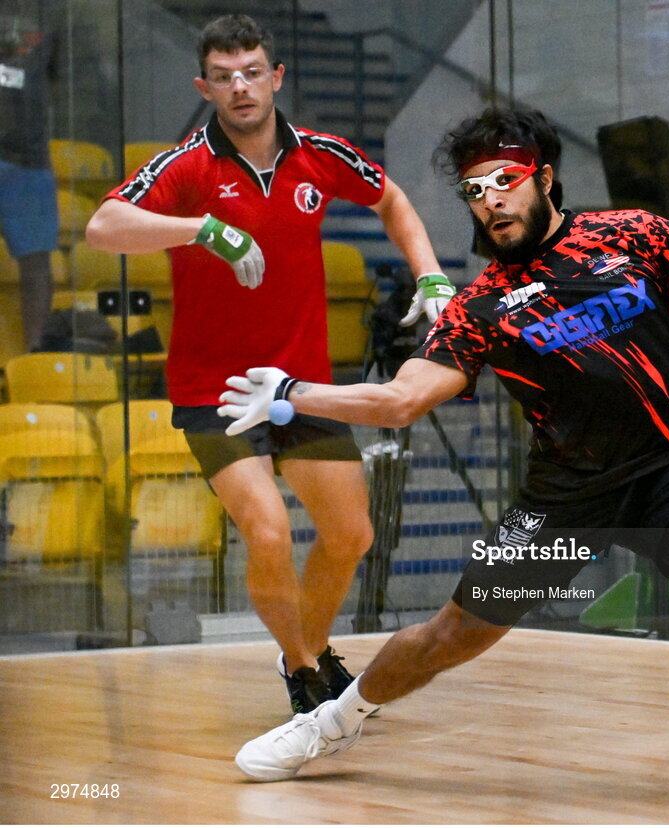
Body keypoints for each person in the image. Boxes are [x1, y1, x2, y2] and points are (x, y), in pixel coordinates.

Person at [220, 107, 669, 812]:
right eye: (472, 191)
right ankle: (330, 723)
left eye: (503, 181)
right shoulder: (478, 306)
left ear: (543, 177)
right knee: (452, 635)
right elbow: (400, 401)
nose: (489, 201)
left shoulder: (633, 234)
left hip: (664, 465)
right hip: (562, 496)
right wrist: (297, 394)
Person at [85, 14, 454, 717]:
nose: (240, 87)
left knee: (352, 534)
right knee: (268, 532)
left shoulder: (320, 154)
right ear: (205, 86)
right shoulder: (184, 166)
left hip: (299, 387)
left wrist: (431, 276)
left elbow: (391, 199)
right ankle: (309, 672)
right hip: (215, 393)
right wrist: (203, 228)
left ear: (276, 76)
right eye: (223, 78)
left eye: (252, 72)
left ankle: (300, 656)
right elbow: (104, 227)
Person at [0, 0, 59, 352]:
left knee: (37, 263)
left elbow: (56, 83)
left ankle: (36, 349)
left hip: (29, 161)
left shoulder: (51, 18)